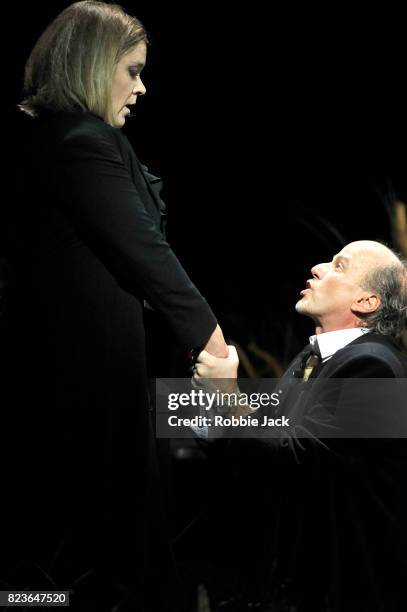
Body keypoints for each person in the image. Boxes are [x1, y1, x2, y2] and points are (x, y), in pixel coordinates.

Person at [1, 2, 228, 610]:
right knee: (83, 557)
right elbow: (146, 253)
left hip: (80, 376)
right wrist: (213, 346)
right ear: (93, 65)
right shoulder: (82, 141)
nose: (141, 86)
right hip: (83, 384)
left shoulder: (52, 141)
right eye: (132, 70)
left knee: (71, 560)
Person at [194, 240, 407, 612]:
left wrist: (225, 392)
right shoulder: (314, 355)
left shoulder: (375, 366)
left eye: (339, 266)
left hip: (351, 590)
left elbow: (293, 456)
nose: (318, 268)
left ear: (367, 302)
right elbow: (264, 428)